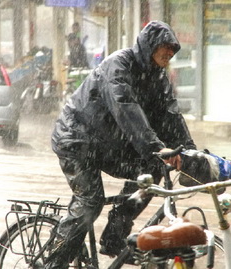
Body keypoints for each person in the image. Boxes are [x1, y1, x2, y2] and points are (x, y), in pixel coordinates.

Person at [47, 20, 196, 269]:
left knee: (152, 169)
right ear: (150, 46)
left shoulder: (158, 77)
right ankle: (54, 263)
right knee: (90, 202)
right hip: (76, 139)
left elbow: (171, 116)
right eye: (165, 47)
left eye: (173, 49)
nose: (170, 53)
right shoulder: (118, 65)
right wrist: (156, 147)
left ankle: (116, 230)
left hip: (106, 144)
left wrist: (192, 152)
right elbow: (126, 109)